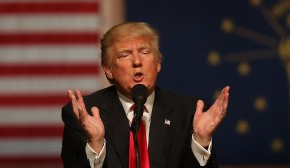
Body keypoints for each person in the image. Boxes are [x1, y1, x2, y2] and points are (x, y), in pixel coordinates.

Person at [61, 22, 230, 168]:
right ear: (108, 69)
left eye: (145, 52)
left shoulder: (188, 112)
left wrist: (200, 141)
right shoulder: (83, 114)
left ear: (158, 63)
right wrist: (96, 145)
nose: (137, 61)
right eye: (125, 55)